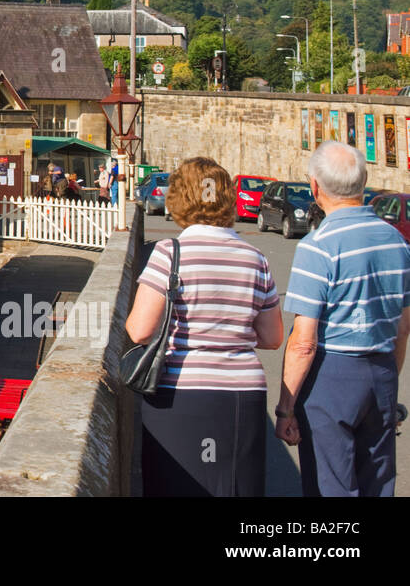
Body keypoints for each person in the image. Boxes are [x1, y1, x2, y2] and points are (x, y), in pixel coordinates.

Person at [124, 156, 283, 496]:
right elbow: (272, 337)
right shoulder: (256, 257)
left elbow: (139, 330)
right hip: (244, 393)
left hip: (183, 391)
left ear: (180, 198)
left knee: (178, 487)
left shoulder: (170, 253)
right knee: (236, 487)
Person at [277, 141, 410, 496]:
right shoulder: (397, 242)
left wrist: (285, 409)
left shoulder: (318, 246)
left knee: (331, 485)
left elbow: (304, 341)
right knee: (378, 483)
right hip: (381, 370)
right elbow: (402, 326)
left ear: (315, 187)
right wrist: (387, 382)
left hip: (332, 374)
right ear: (363, 183)